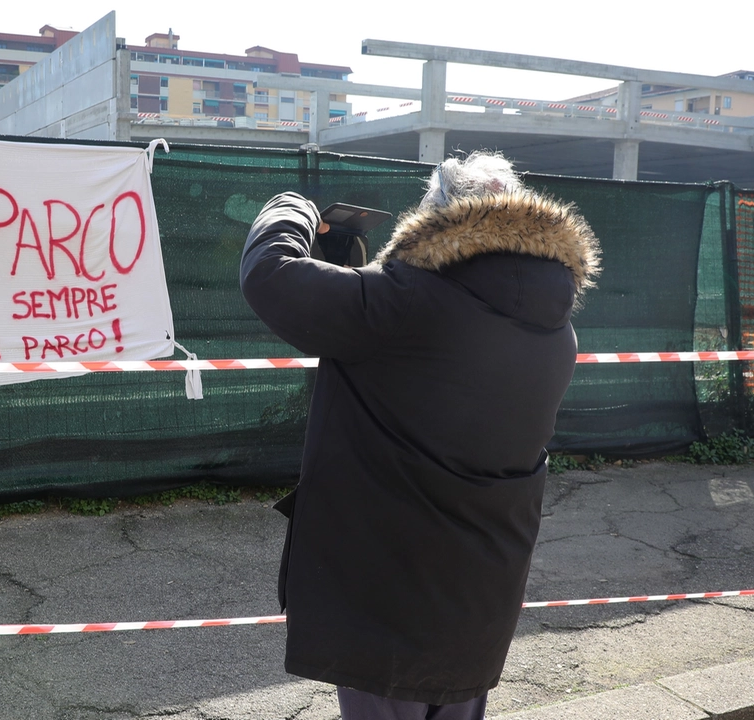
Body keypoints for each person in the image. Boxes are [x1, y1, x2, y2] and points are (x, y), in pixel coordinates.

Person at [239, 151, 600, 719]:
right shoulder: (556, 328)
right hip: (480, 592)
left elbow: (271, 276)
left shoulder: (405, 302)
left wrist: (291, 208)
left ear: (440, 220)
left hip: (387, 594)